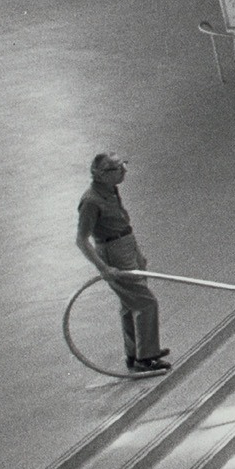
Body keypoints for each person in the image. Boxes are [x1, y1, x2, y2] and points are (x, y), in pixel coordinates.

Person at [76, 153, 169, 374]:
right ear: (100, 175)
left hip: (126, 244)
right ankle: (146, 358)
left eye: (122, 165)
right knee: (145, 302)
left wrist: (137, 253)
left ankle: (137, 350)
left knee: (130, 303)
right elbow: (81, 240)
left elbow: (120, 223)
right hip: (113, 251)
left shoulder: (111, 189)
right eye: (117, 168)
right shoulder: (91, 201)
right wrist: (104, 268)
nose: (124, 171)